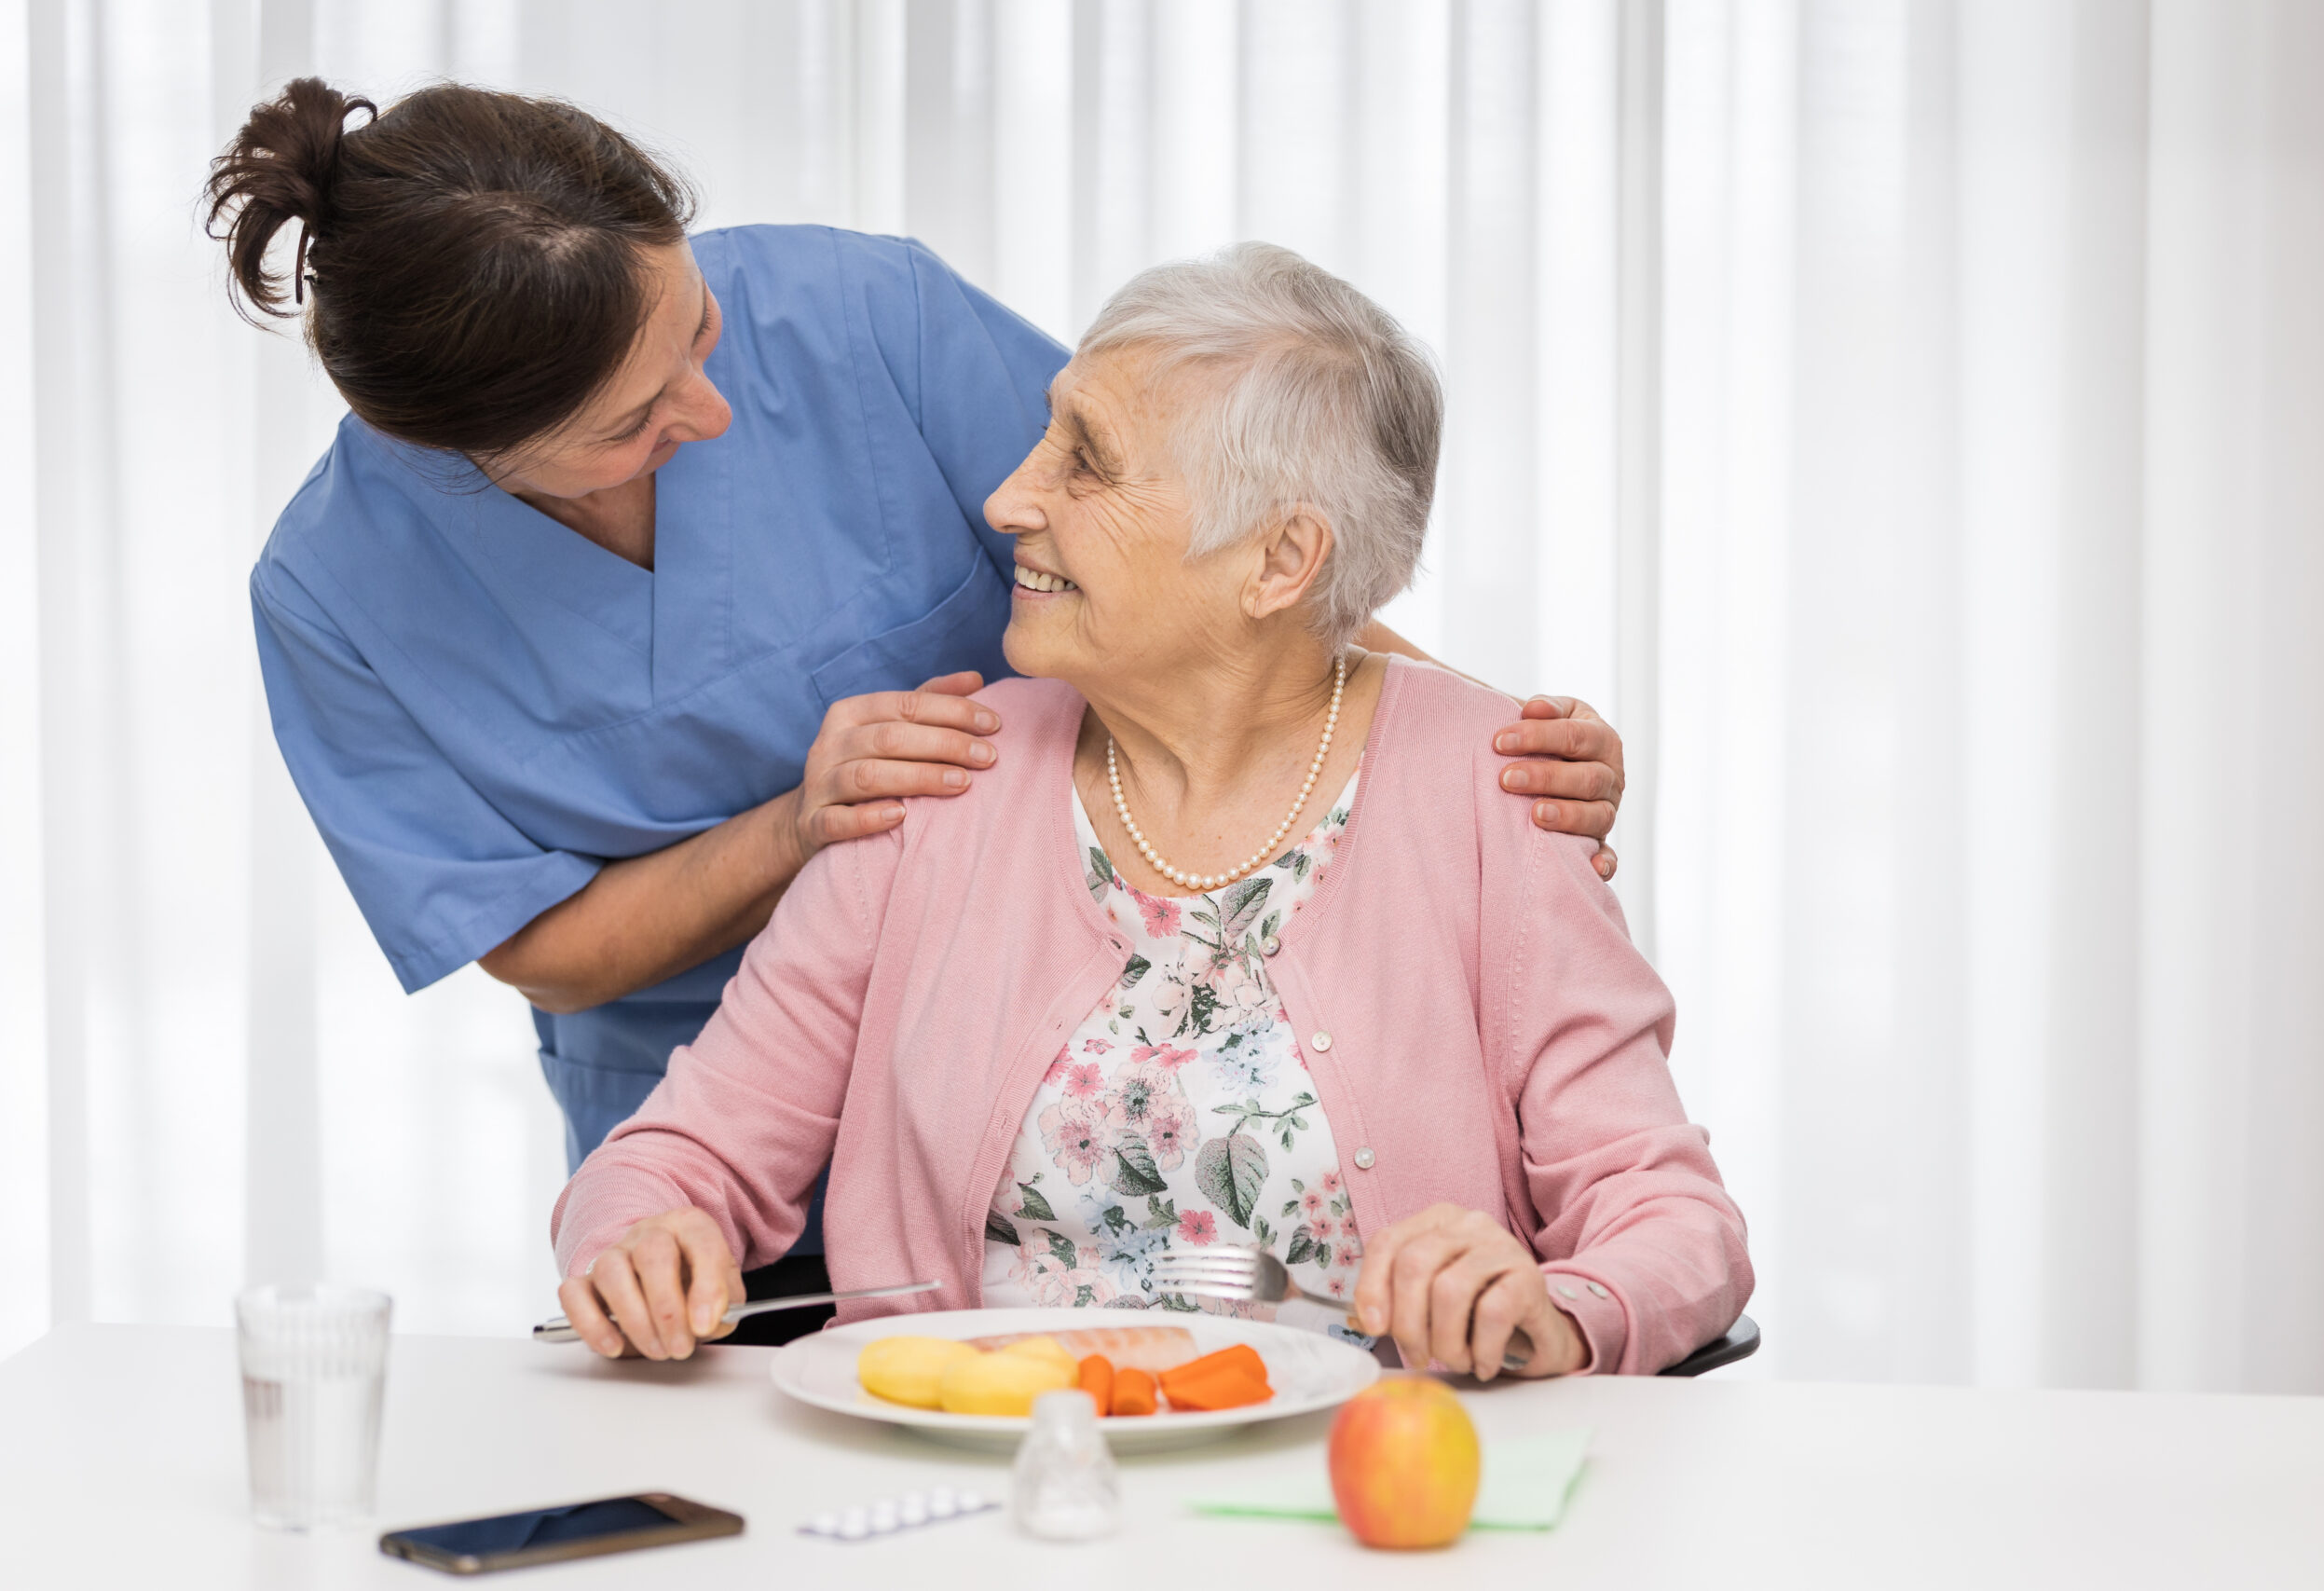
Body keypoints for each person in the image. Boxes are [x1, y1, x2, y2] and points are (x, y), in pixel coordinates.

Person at [212, 79, 1629, 1341]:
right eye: (631, 423)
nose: (710, 413)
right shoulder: (336, 596)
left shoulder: (858, 320)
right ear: (454, 453)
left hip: (1117, 1105)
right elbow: (544, 952)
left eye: (701, 328)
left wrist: (1473, 756)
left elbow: (1219, 543)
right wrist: (804, 826)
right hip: (727, 1134)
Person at [551, 244, 1751, 1378]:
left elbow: (1668, 1216)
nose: (1009, 497)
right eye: (1043, 435)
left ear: (1280, 563)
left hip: (1354, 1503)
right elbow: (680, 1153)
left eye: (1087, 460)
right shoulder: (943, 774)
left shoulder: (1492, 791)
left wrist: (1553, 1310)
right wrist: (644, 1236)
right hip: (980, 1494)